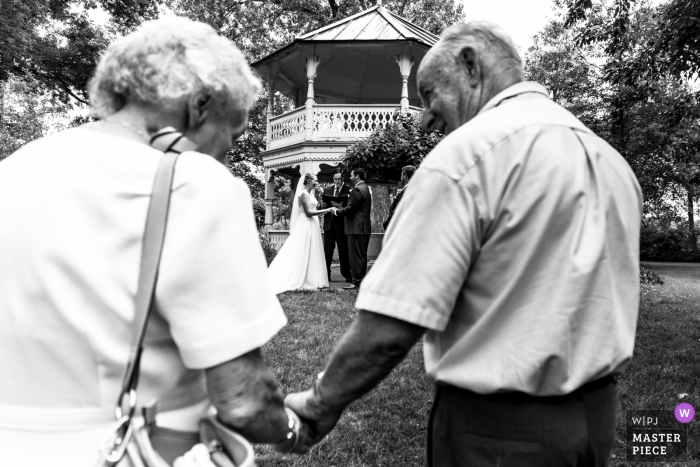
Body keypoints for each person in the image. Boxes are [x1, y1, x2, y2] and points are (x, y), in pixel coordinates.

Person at [286, 20, 643, 467]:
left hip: (497, 434)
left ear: (471, 65)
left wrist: (320, 404)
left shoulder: (466, 158)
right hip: (595, 423)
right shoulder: (610, 161)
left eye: (430, 94)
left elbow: (390, 324)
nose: (426, 117)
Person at [0, 17, 310, 465]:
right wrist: (293, 430)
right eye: (233, 131)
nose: (225, 150)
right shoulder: (194, 182)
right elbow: (243, 400)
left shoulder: (16, 168)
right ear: (200, 105)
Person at [268, 173, 335, 293]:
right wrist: (328, 210)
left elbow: (314, 209)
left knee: (312, 251)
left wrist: (322, 208)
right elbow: (309, 212)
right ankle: (301, 278)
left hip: (313, 224)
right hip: (306, 224)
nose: (317, 183)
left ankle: (313, 278)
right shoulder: (303, 194)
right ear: (308, 181)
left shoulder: (310, 194)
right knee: (303, 250)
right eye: (315, 181)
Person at [331, 168, 372, 290]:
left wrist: (337, 211)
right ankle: (361, 280)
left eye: (352, 175)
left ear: (358, 176)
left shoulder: (357, 189)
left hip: (356, 228)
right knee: (362, 256)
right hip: (364, 227)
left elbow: (350, 209)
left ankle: (356, 282)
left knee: (355, 256)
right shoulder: (365, 188)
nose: (350, 177)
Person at [322, 170, 352, 282]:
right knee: (327, 252)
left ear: (343, 178)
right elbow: (322, 207)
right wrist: (323, 205)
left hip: (342, 225)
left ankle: (347, 274)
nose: (337, 181)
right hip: (328, 226)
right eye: (335, 179)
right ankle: (326, 275)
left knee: (343, 252)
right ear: (333, 179)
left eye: (339, 179)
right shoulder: (327, 190)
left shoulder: (349, 189)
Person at [382, 165, 415, 231]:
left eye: (401, 175)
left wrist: (385, 224)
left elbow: (397, 212)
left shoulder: (405, 192)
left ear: (405, 176)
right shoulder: (414, 190)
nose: (401, 177)